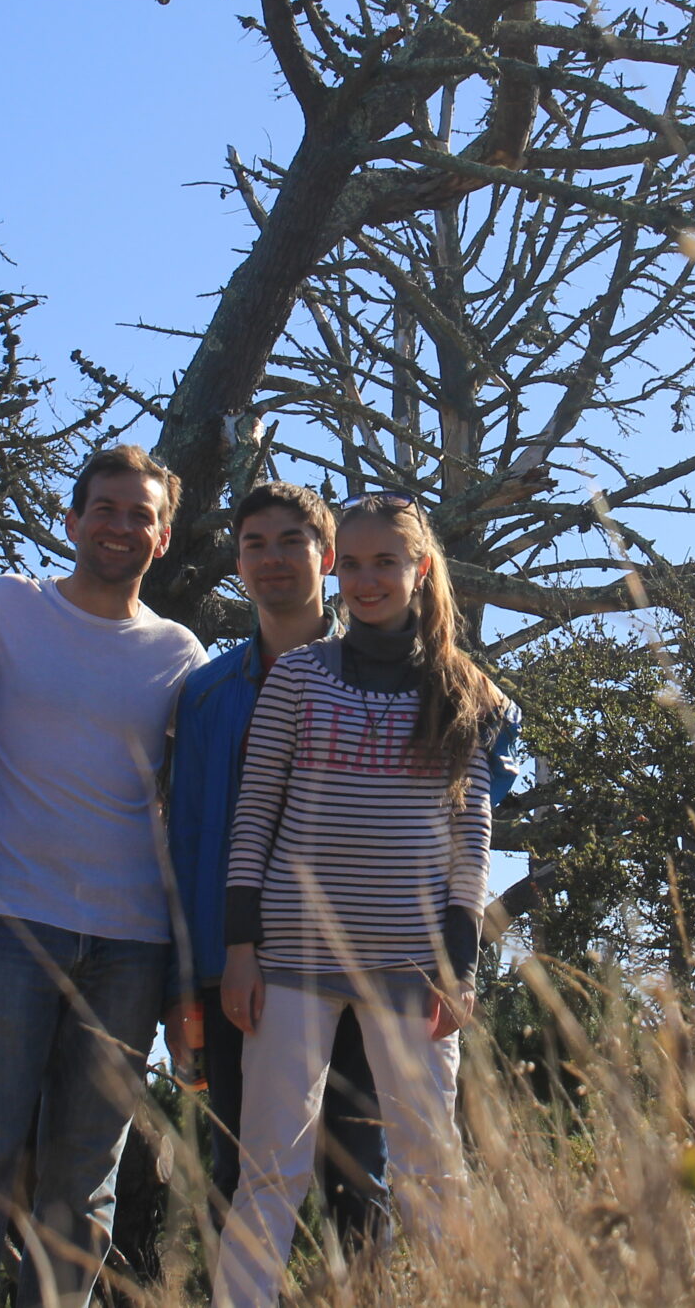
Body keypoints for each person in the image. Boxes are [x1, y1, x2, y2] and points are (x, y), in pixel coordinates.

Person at [165, 483, 521, 1252]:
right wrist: (211, 966)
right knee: (256, 1169)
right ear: (236, 560)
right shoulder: (213, 691)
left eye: (382, 562)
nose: (366, 578)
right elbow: (208, 833)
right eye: (253, 544)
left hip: (403, 961)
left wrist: (460, 962)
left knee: (376, 1171)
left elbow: (472, 831)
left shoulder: (463, 690)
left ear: (419, 568)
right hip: (273, 962)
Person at [0, 445, 208, 1308]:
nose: (121, 525)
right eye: (105, 508)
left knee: (83, 1178)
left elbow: (187, 802)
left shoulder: (178, 652)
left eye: (140, 515)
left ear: (162, 538)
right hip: (13, 921)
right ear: (71, 520)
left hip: (132, 943)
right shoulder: (4, 606)